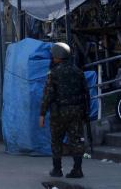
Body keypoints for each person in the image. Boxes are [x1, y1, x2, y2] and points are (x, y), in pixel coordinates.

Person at [39, 42, 90, 179]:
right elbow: (86, 93)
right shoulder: (78, 71)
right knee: (77, 140)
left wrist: (42, 113)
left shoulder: (54, 73)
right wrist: (86, 112)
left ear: (57, 57)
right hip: (77, 111)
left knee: (56, 140)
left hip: (59, 113)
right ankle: (77, 170)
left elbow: (48, 94)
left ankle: (57, 170)